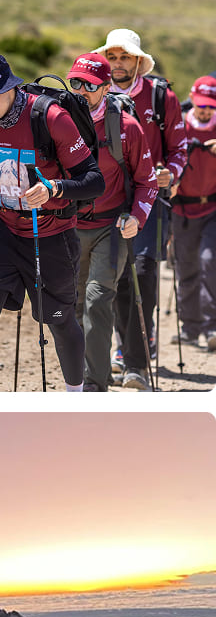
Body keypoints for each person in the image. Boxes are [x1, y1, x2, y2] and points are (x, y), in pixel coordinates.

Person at [0, 52, 103, 391]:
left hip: (51, 233)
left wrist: (55, 187)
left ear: (10, 88)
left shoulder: (50, 117)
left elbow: (93, 179)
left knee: (59, 321)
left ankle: (76, 395)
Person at [94, 29, 189, 385]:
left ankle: (137, 354)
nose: (118, 65)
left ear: (138, 61)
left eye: (125, 58)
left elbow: (180, 148)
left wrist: (171, 173)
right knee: (114, 278)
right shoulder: (90, 94)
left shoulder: (161, 96)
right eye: (113, 57)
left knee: (145, 272)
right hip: (104, 201)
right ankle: (125, 350)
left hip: (149, 200)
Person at [66, 53, 154, 390]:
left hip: (111, 227)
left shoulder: (127, 127)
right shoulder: (60, 121)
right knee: (70, 304)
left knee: (97, 301)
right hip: (69, 226)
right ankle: (78, 380)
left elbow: (146, 182)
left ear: (105, 87)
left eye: (89, 85)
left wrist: (137, 216)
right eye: (76, 83)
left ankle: (95, 386)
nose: (81, 90)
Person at [175, 76, 216, 350]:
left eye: (210, 107)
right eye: (201, 105)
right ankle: (190, 327)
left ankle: (212, 326)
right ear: (192, 99)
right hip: (181, 208)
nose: (205, 111)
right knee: (186, 268)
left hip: (212, 207)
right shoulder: (179, 126)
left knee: (209, 262)